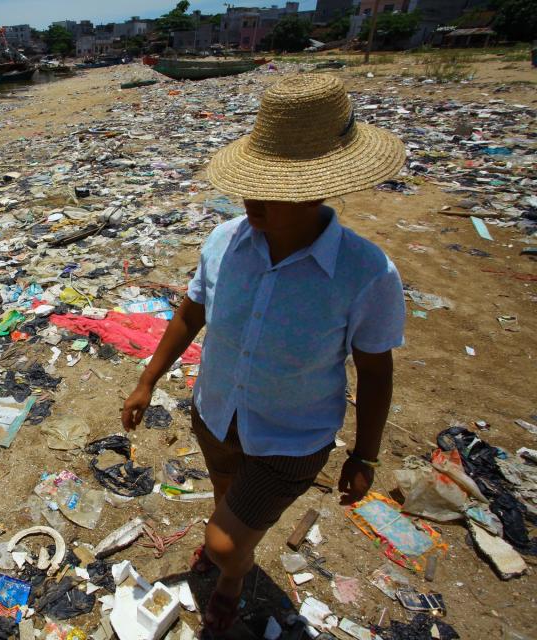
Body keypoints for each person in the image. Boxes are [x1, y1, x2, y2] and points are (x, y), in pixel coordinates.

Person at [121, 74, 406, 637]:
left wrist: (365, 456)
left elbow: (375, 372)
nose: (252, 199)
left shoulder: (365, 274)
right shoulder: (225, 242)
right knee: (227, 500)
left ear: (319, 188)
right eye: (252, 183)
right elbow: (189, 314)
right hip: (216, 414)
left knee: (223, 539)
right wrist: (147, 380)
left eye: (275, 189)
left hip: (292, 437)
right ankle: (233, 564)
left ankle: (230, 574)